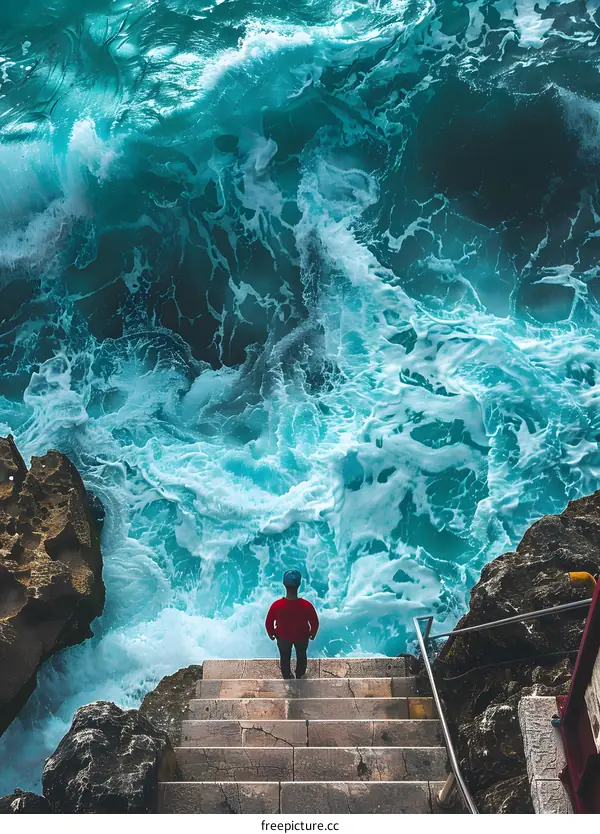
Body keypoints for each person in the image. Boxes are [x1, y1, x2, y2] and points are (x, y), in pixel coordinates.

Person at [265, 569, 319, 679]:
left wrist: (271, 634)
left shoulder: (276, 605)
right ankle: (300, 674)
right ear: (299, 584)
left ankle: (287, 675)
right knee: (302, 656)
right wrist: (313, 633)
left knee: (284, 657)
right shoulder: (306, 605)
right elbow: (315, 622)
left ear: (284, 584)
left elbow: (268, 622)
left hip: (283, 637)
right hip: (302, 637)